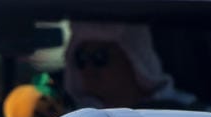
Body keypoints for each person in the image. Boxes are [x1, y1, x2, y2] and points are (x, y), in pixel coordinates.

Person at [62, 21, 199, 110]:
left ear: (134, 59)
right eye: (80, 58)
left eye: (99, 57)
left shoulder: (189, 111)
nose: (88, 69)